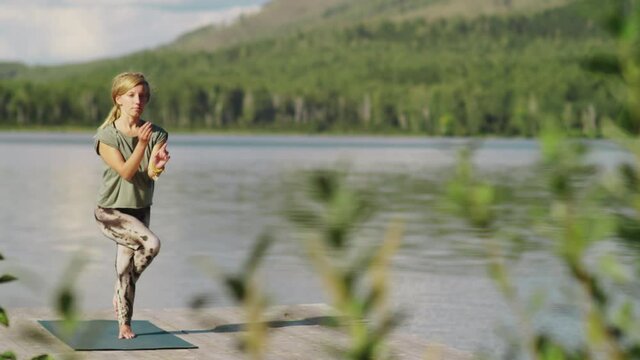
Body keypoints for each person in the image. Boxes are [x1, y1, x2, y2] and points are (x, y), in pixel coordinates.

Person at [93, 72, 170, 339]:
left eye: (143, 96)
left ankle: (124, 325)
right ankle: (120, 288)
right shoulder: (106, 136)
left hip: (139, 209)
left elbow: (147, 173)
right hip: (111, 212)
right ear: (119, 99)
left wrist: (158, 166)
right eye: (132, 95)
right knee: (152, 244)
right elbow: (126, 172)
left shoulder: (157, 133)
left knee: (126, 268)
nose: (138, 101)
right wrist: (142, 143)